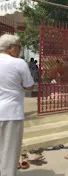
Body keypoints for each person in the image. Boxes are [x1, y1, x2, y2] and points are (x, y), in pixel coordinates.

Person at [0, 34, 34, 175]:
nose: (19, 51)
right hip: (11, 113)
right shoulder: (19, 63)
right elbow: (29, 86)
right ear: (10, 48)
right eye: (19, 47)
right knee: (9, 152)